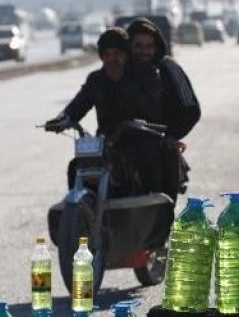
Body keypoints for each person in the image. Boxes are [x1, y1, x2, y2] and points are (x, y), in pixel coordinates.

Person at [44, 27, 165, 195]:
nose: (112, 59)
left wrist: (125, 85)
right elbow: (79, 103)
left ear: (126, 55)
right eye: (107, 54)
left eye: (117, 53)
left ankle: (153, 213)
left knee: (149, 163)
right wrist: (62, 119)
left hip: (139, 139)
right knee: (76, 167)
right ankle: (81, 214)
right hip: (107, 143)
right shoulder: (96, 80)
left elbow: (151, 108)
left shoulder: (146, 74)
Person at [125, 17, 202, 198]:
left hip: (160, 145)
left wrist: (171, 136)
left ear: (156, 46)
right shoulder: (121, 69)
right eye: (138, 46)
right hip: (123, 141)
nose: (144, 52)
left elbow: (191, 109)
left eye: (149, 46)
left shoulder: (169, 68)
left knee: (163, 202)